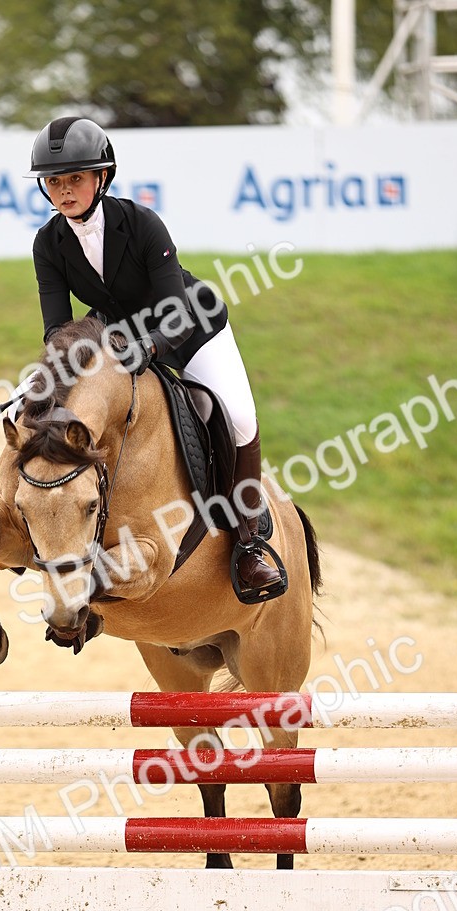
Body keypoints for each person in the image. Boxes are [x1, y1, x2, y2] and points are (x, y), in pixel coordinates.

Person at [24, 115, 286, 605]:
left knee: (239, 417)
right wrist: (53, 382)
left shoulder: (141, 223)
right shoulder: (48, 243)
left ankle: (249, 543)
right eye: (54, 181)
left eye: (75, 178)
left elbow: (176, 313)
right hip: (119, 341)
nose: (64, 191)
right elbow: (58, 330)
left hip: (190, 328)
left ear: (102, 178)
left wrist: (146, 349)